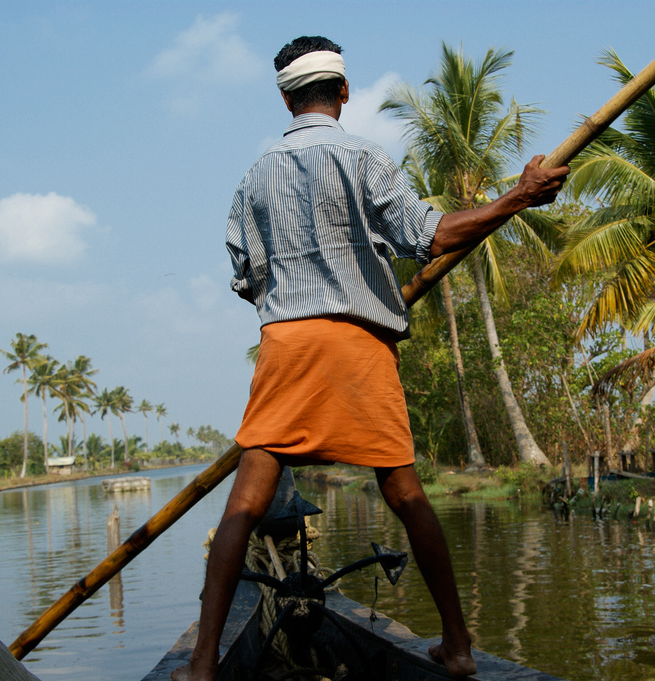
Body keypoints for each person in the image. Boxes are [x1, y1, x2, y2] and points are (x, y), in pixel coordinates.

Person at [176, 36, 569, 681]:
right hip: (360, 345)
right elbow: (429, 235)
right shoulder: (364, 157)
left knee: (243, 509)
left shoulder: (255, 176)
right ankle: (460, 648)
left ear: (284, 97)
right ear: (344, 93)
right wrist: (517, 197)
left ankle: (200, 665)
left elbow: (248, 276)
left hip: (289, 346)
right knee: (406, 494)